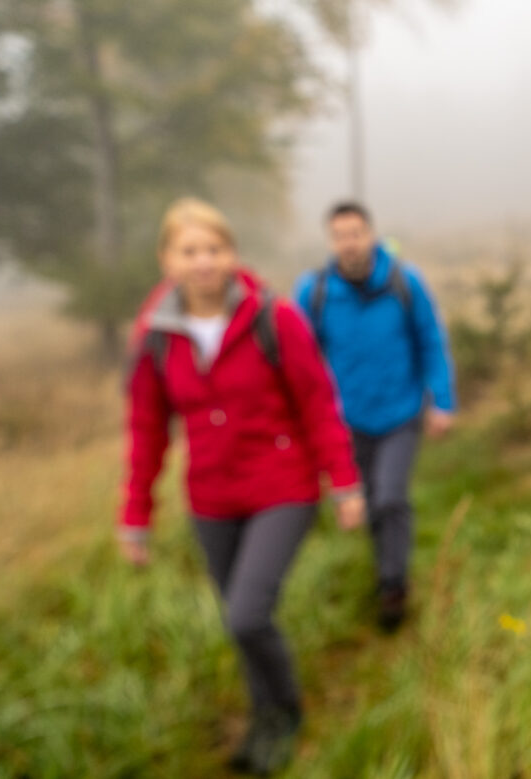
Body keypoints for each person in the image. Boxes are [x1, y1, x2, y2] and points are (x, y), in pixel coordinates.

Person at [119, 197, 365, 775]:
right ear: (167, 261)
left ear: (232, 255)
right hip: (211, 499)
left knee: (248, 615)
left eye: (215, 249)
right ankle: (264, 719)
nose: (204, 262)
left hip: (283, 488)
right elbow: (147, 434)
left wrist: (345, 483)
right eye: (190, 251)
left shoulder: (272, 318)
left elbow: (316, 401)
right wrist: (136, 517)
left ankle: (286, 713)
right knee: (241, 618)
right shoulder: (157, 337)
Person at [294, 201, 456, 632]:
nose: (349, 243)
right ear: (331, 241)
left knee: (389, 497)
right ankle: (386, 567)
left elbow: (431, 340)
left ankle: (393, 586)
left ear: (372, 235)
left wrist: (442, 400)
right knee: (366, 503)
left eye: (356, 233)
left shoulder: (405, 283)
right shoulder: (314, 292)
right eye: (340, 235)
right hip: (346, 420)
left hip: (401, 413)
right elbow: (299, 361)